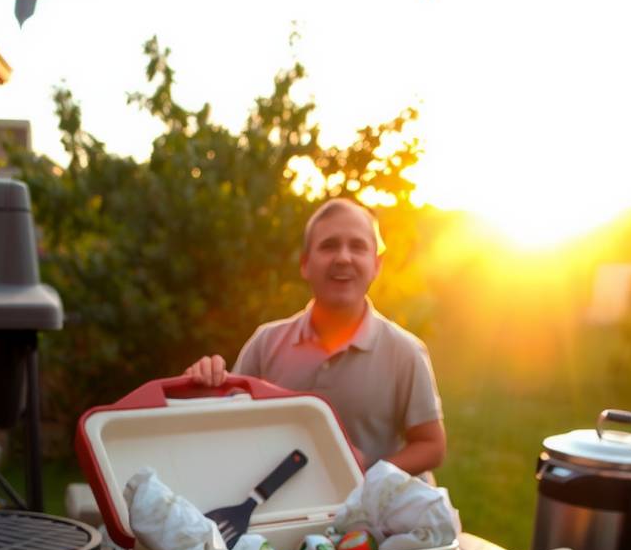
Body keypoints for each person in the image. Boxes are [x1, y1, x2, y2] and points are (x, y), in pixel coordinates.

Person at [184, 197, 446, 476]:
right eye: (328, 245)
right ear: (305, 264)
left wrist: (367, 475)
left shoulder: (404, 351)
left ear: (376, 264)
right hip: (290, 510)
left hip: (373, 514)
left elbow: (431, 445)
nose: (343, 257)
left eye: (357, 246)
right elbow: (229, 424)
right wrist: (202, 387)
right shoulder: (266, 342)